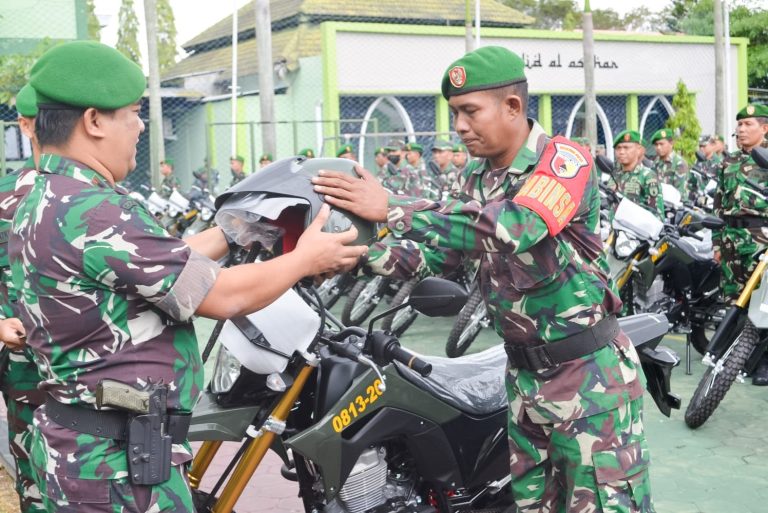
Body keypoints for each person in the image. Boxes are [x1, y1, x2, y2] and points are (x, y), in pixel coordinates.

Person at [9, 41, 367, 513]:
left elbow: (156, 266)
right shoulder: (96, 211)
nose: (140, 126)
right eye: (133, 114)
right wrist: (306, 258)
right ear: (94, 121)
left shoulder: (46, 196)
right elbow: (220, 296)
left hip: (84, 450)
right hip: (115, 468)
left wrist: (235, 230)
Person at [313, 45, 653, 513]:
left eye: (469, 111)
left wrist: (392, 207)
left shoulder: (564, 160)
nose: (459, 126)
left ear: (512, 106)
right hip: (522, 379)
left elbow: (513, 226)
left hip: (588, 378)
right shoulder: (477, 175)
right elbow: (438, 257)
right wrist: (353, 255)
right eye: (454, 113)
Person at [0, 83, 46, 513]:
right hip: (25, 368)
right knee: (33, 472)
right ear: (25, 125)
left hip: (92, 369)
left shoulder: (105, 200)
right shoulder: (5, 198)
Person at [713, 103, 768, 385]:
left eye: (749, 125)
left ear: (765, 128)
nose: (742, 129)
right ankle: (735, 358)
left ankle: (764, 363)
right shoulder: (728, 161)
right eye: (740, 124)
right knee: (735, 300)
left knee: (764, 304)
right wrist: (717, 242)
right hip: (732, 239)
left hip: (761, 237)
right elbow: (719, 203)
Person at [612, 129, 665, 220]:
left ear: (638, 150)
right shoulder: (614, 175)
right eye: (618, 148)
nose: (621, 152)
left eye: (626, 148)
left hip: (635, 232)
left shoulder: (647, 176)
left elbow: (657, 215)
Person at [651, 128, 690, 198]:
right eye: (656, 145)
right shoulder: (656, 162)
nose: (658, 147)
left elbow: (680, 192)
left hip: (675, 204)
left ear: (671, 143)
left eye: (661, 144)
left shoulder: (679, 163)